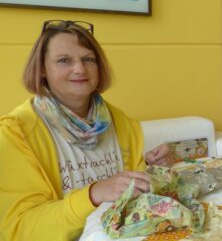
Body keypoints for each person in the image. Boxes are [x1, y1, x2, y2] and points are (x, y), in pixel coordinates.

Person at [0, 20, 174, 240]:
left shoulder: (123, 123)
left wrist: (152, 171)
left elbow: (134, 201)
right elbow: (18, 230)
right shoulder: (14, 134)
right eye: (64, 60)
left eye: (88, 59)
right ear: (42, 69)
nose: (80, 68)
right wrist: (93, 195)